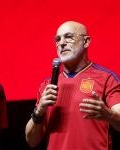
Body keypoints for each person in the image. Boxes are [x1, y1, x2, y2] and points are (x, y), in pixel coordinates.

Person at [25, 21, 120, 150]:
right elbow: (31, 141)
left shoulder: (107, 78)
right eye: (58, 39)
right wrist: (39, 111)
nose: (62, 43)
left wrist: (108, 114)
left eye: (68, 37)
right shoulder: (47, 86)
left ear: (86, 41)